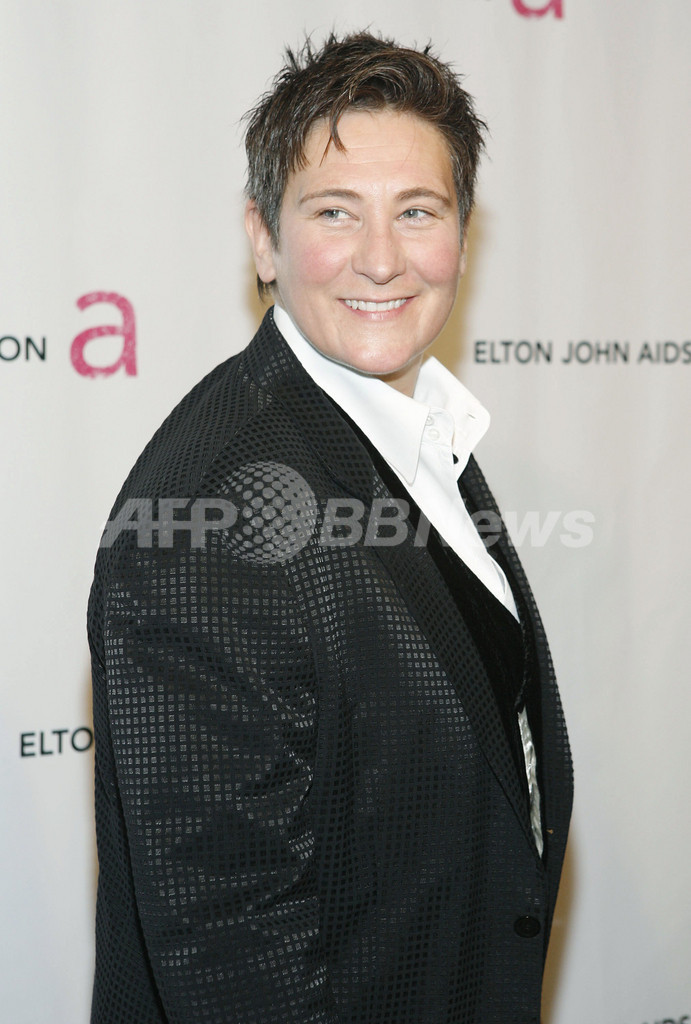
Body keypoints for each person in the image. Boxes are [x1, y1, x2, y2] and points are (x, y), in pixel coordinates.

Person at [88, 31, 573, 1024]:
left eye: (417, 211)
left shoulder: (402, 419)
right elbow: (232, 953)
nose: (382, 259)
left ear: (463, 234)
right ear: (264, 238)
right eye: (334, 212)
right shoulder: (216, 515)